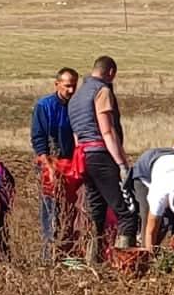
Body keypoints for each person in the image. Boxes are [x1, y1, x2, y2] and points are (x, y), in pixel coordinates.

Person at [67, 55, 136, 253]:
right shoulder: (102, 91)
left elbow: (76, 137)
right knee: (126, 212)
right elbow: (107, 131)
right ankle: (126, 262)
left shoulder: (76, 97)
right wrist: (122, 164)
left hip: (83, 157)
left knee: (96, 210)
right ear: (111, 73)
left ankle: (93, 258)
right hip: (101, 155)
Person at [30, 67, 81, 260]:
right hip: (49, 162)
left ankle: (69, 250)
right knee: (50, 209)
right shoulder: (44, 106)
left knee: (71, 209)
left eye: (74, 86)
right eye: (67, 86)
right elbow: (38, 138)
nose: (71, 90)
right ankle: (49, 254)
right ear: (57, 84)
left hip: (72, 164)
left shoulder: (77, 106)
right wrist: (48, 165)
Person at [129, 145, 174, 251]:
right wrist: (151, 258)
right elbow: (150, 230)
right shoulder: (159, 193)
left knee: (168, 222)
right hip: (146, 170)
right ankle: (146, 260)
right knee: (148, 218)